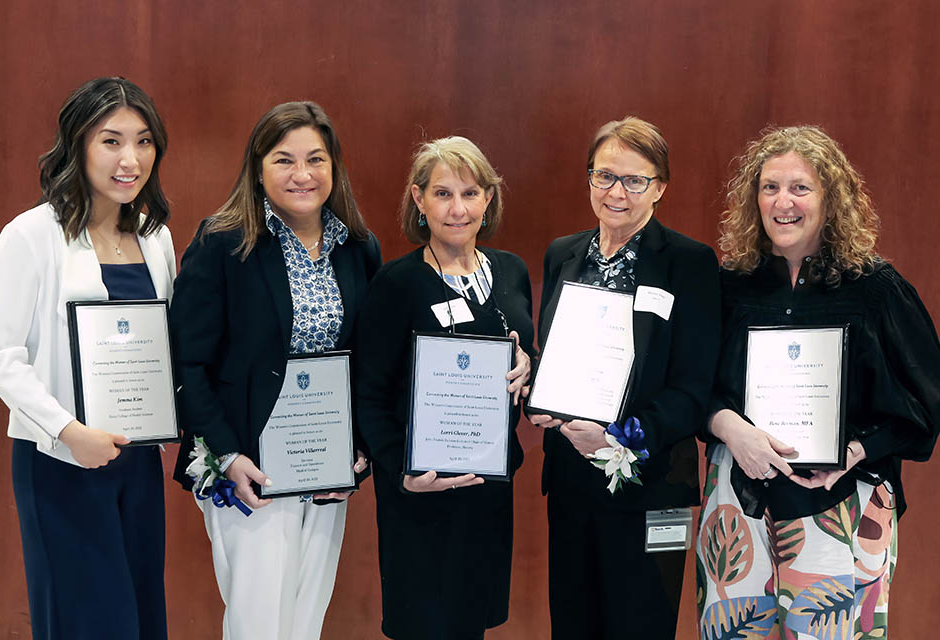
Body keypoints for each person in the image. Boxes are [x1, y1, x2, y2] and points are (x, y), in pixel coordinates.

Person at [697, 125, 940, 639]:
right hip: (736, 502)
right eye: (769, 187)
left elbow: (925, 402)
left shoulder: (875, 289)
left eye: (800, 187)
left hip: (843, 502)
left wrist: (854, 450)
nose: (783, 202)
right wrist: (732, 431)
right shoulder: (729, 286)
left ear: (831, 199)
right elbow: (692, 388)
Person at [169, 101, 380, 640]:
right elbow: (186, 362)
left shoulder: (357, 248)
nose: (302, 174)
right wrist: (227, 453)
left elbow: (368, 361)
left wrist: (358, 450)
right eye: (284, 160)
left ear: (334, 165)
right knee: (259, 624)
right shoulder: (223, 242)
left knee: (305, 620)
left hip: (324, 469)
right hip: (249, 469)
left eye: (316, 159)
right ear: (257, 167)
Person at [0, 77, 173, 639]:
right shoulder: (30, 235)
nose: (130, 159)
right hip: (60, 463)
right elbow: (0, 357)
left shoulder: (155, 236)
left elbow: (164, 344)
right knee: (85, 620)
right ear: (77, 144)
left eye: (143, 141)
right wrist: (69, 432)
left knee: (139, 613)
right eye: (111, 141)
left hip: (136, 459)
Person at [528, 117, 720, 639]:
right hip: (570, 481)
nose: (617, 192)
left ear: (660, 187)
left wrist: (619, 439)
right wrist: (537, 398)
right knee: (573, 625)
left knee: (641, 627)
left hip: (650, 486)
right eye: (605, 175)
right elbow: (551, 359)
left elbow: (693, 389)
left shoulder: (690, 264)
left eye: (635, 180)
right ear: (589, 178)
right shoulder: (564, 253)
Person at [354, 136, 532, 640]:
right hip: (420, 495)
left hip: (488, 492)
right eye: (442, 194)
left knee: (472, 623)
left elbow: (526, 359)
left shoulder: (511, 272)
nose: (458, 209)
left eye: (471, 193)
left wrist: (527, 366)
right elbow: (369, 394)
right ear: (418, 200)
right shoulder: (395, 284)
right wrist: (401, 470)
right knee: (423, 624)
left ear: (489, 199)